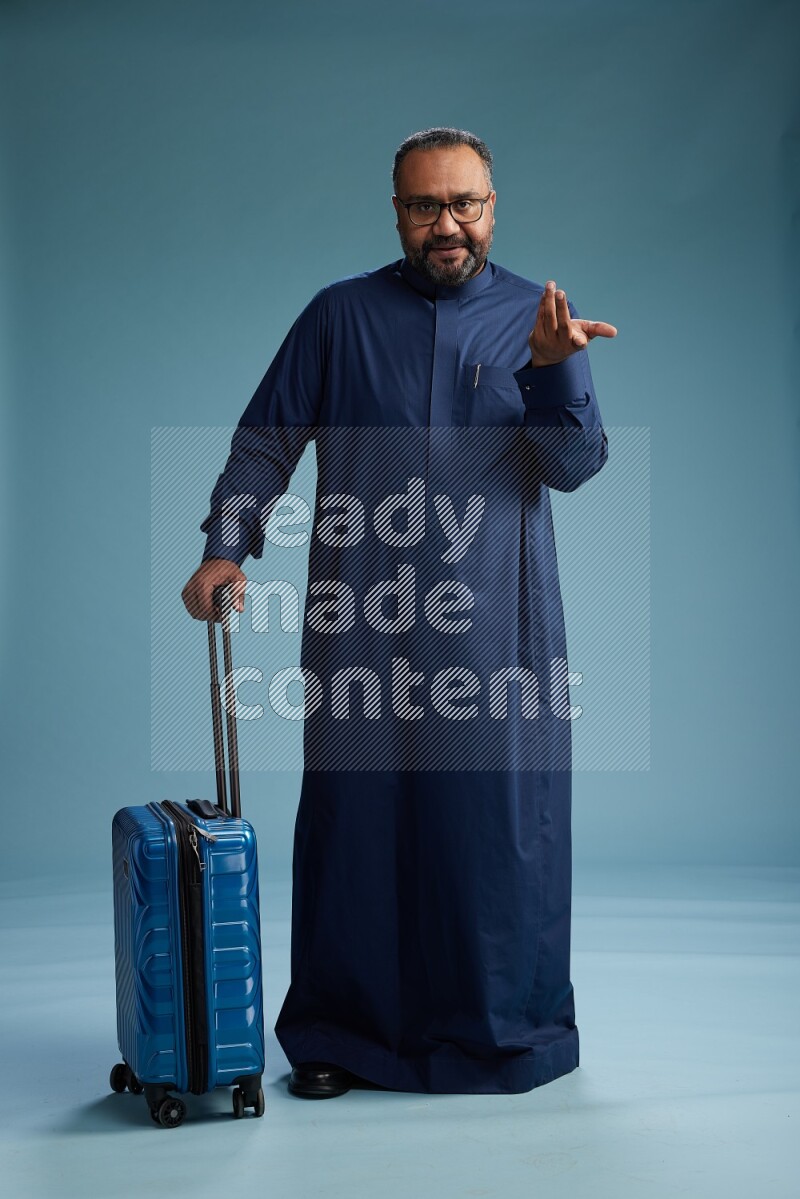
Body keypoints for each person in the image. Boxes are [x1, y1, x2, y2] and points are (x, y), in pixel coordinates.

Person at [181, 127, 617, 1099]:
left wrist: (557, 371)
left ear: (493, 207)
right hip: (361, 616)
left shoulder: (536, 318)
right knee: (357, 824)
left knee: (493, 830)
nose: (447, 223)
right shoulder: (338, 317)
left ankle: (508, 1033)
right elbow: (266, 440)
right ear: (396, 211)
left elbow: (574, 466)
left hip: (494, 626)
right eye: (426, 205)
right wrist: (225, 545)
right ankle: (344, 1033)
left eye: (465, 203)